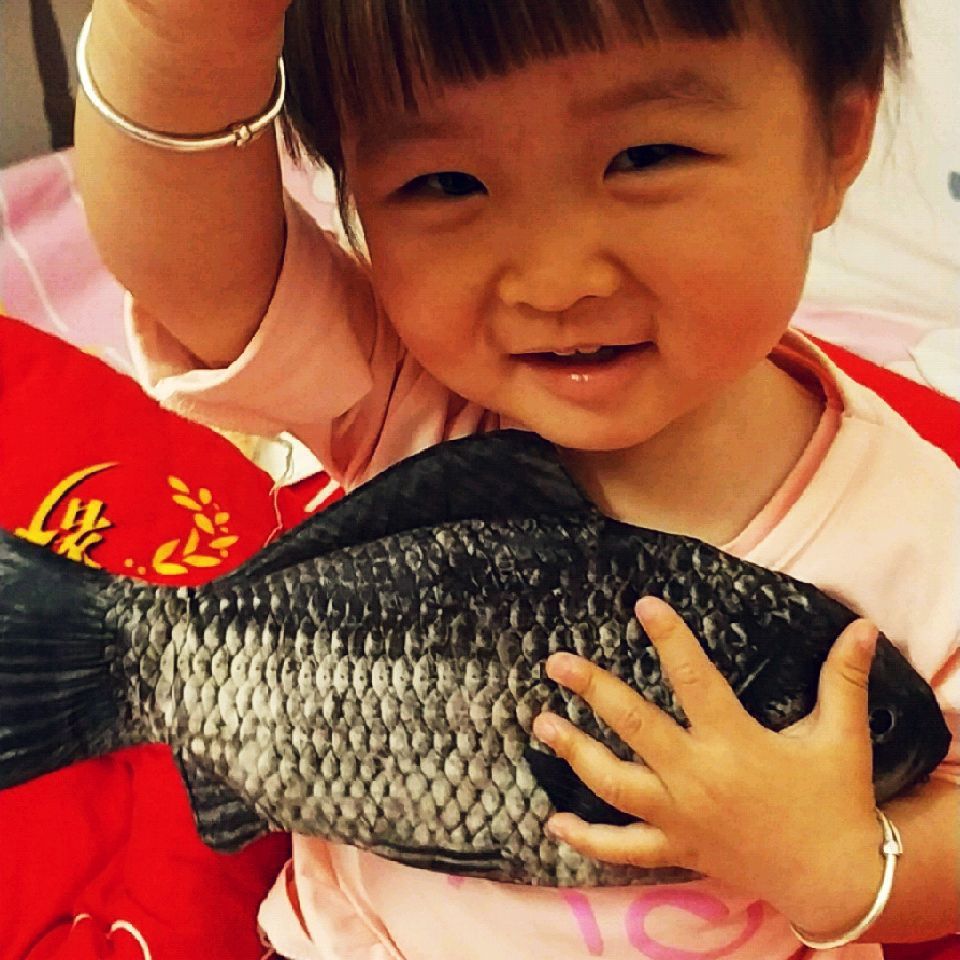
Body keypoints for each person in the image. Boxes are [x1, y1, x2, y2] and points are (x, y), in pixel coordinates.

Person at [73, 1, 959, 957]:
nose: (555, 279)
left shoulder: (919, 529)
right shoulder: (399, 390)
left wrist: (841, 864)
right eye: (444, 182)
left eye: (646, 157)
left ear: (835, 143)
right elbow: (189, 261)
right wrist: (180, 35)